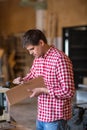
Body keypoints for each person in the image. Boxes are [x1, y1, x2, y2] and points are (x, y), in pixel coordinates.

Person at [13, 29, 75, 130]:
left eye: (32, 49)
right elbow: (32, 75)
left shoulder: (60, 59)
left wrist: (43, 90)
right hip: (42, 115)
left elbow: (68, 92)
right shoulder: (38, 58)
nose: (30, 53)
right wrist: (23, 80)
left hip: (56, 119)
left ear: (41, 43)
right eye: (28, 50)